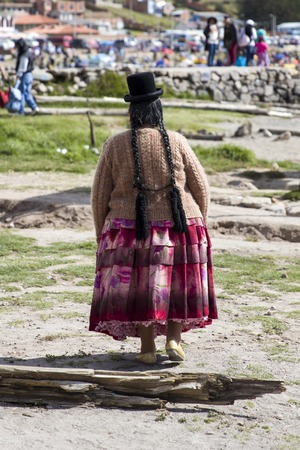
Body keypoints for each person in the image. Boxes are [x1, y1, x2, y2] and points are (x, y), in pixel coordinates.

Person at [89, 72, 217, 364]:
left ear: (132, 110)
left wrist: (103, 234)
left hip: (129, 228)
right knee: (176, 284)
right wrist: (199, 225)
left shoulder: (114, 145)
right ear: (158, 109)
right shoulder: (177, 140)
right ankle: (174, 338)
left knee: (141, 286)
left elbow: (99, 196)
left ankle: (147, 348)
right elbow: (202, 188)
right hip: (183, 225)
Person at [15, 38, 39, 114]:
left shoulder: (24, 54)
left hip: (25, 75)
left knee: (22, 93)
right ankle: (33, 107)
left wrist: (18, 75)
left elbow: (23, 67)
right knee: (25, 92)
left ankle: (22, 110)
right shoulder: (28, 52)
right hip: (28, 75)